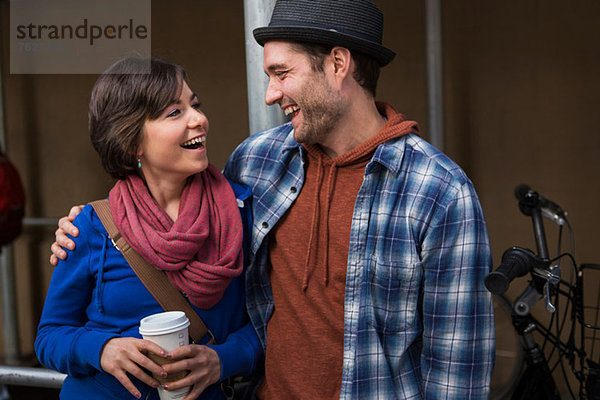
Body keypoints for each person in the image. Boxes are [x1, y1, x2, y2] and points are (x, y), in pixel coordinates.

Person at [51, 0, 495, 398]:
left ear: (338, 64)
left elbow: (459, 374)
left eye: (282, 74)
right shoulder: (257, 161)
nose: (270, 94)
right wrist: (92, 223)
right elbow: (179, 208)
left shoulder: (438, 192)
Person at [37, 57, 262, 400]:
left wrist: (223, 360)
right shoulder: (91, 226)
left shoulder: (241, 212)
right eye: (175, 112)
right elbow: (49, 337)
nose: (198, 119)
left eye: (195, 105)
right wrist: (101, 349)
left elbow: (274, 323)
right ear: (132, 143)